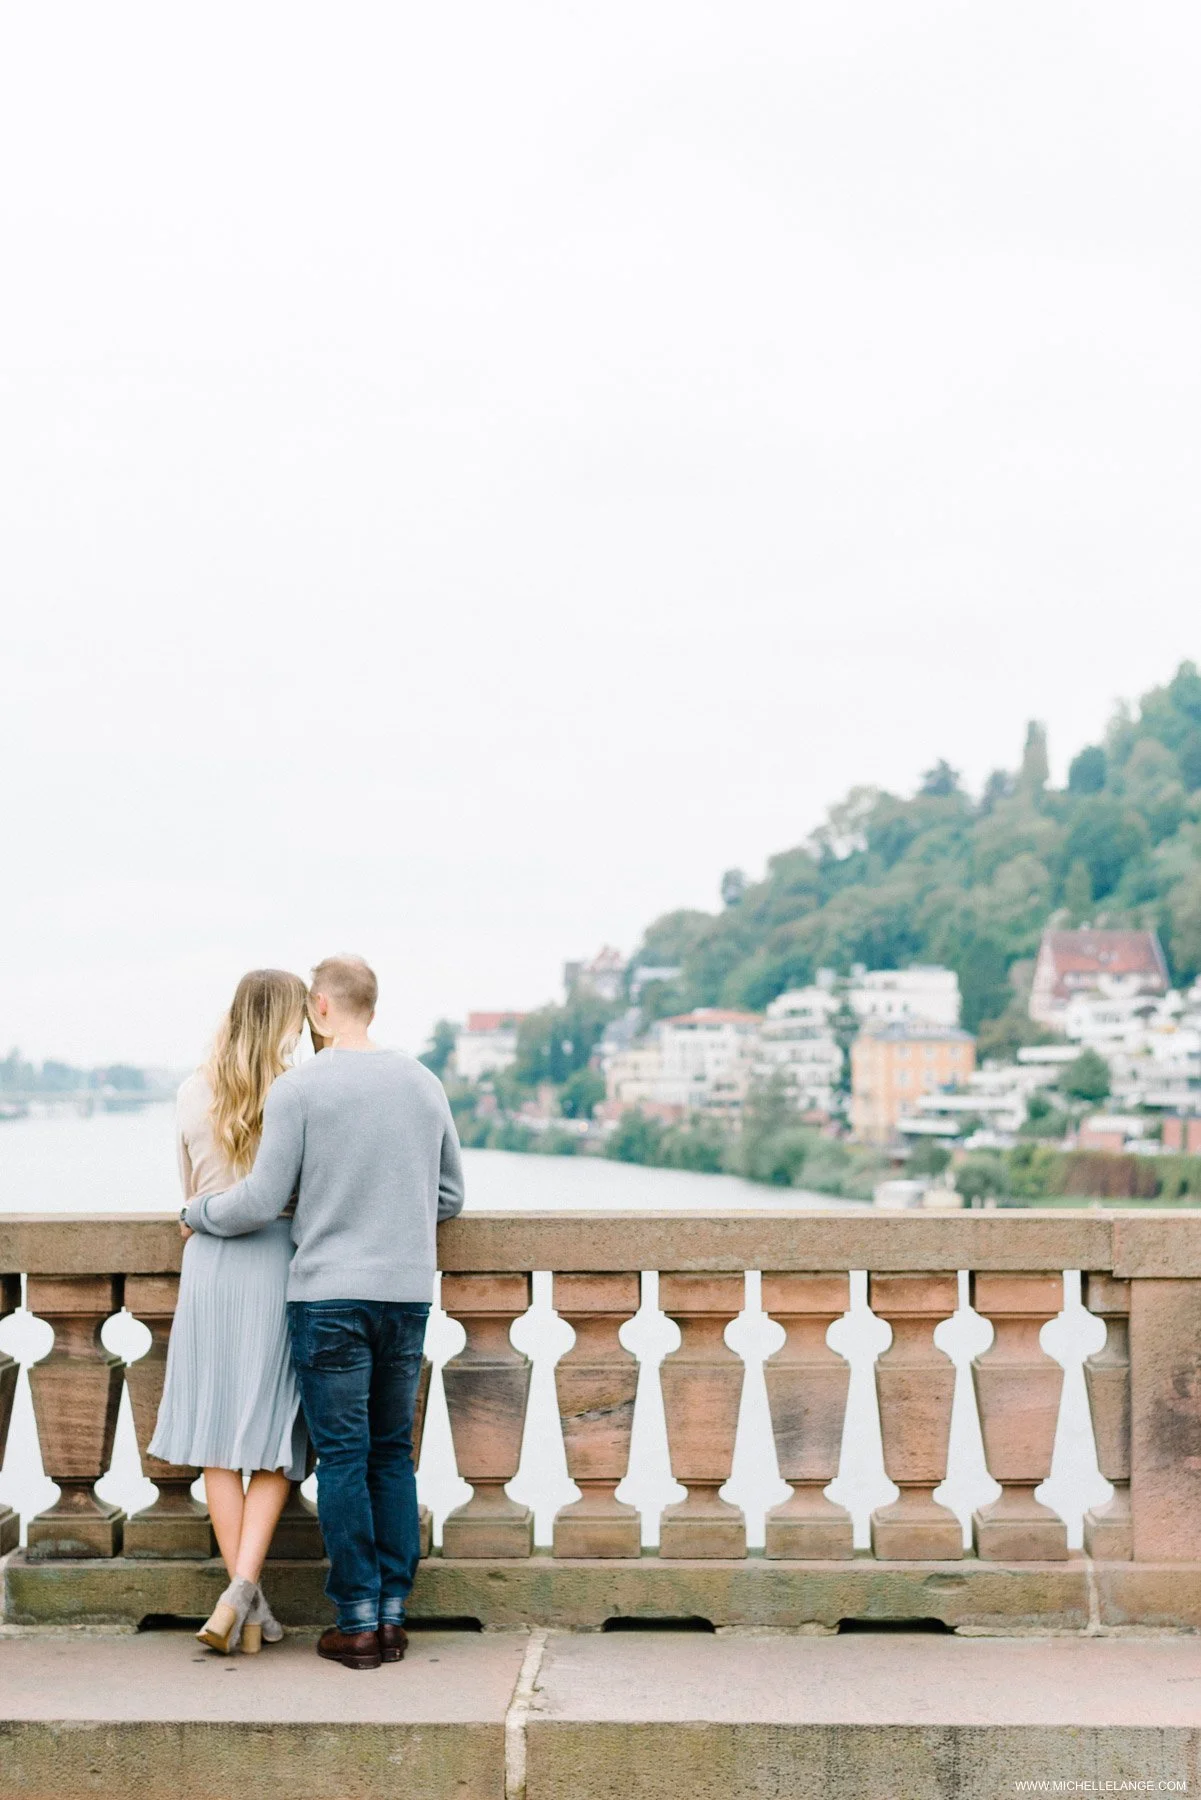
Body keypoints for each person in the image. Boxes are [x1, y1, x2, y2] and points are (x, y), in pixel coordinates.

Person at [183, 953, 466, 1670]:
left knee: (341, 1457)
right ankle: (395, 1617)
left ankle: (357, 1622)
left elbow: (257, 1200)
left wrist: (196, 1211)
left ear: (320, 1006)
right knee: (390, 1454)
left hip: (328, 1295)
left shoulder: (301, 1088)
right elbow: (450, 1199)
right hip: (405, 1293)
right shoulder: (423, 1082)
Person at [150, 968, 311, 1655]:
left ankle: (241, 1608)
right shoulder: (296, 1092)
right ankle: (243, 1598)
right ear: (286, 1021)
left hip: (211, 1266)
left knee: (220, 1441)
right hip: (276, 1262)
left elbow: (187, 1195)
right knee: (273, 1442)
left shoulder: (191, 1090)